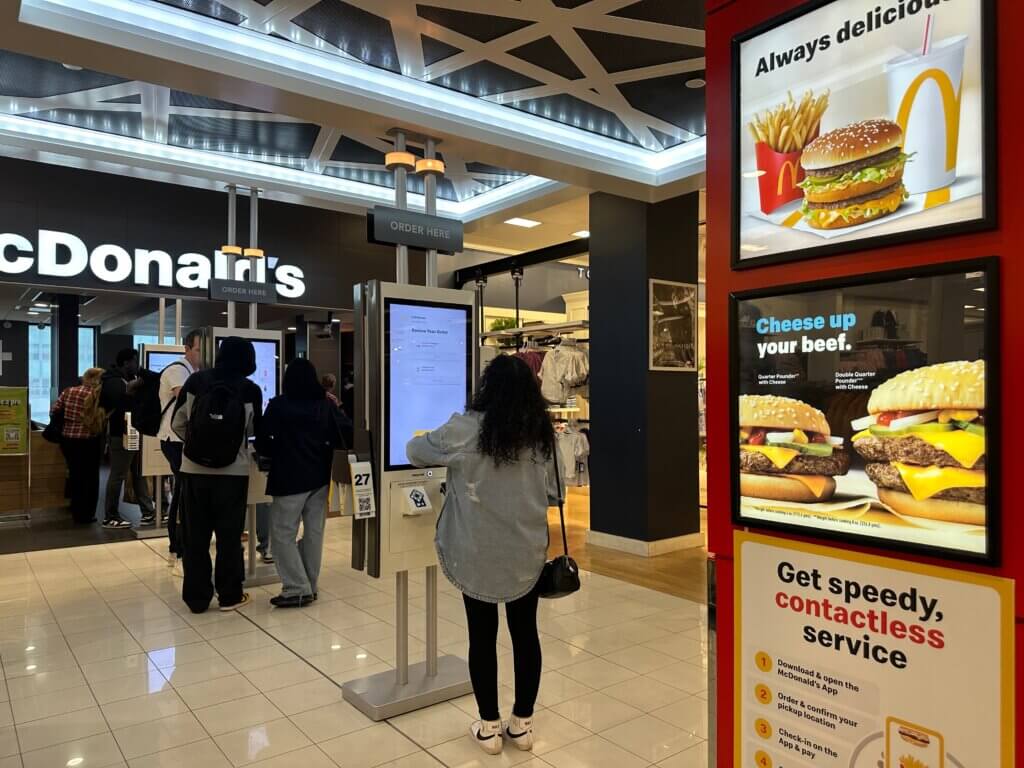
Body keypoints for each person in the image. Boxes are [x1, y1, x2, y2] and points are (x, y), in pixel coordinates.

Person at [406, 355, 558, 755]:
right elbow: (556, 493)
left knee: (482, 635)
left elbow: (414, 450)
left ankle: (488, 727)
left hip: (474, 549)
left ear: (486, 387)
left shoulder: (464, 428)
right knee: (526, 636)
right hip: (525, 550)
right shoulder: (540, 434)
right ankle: (522, 725)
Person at [171, 337, 262, 613]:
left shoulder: (196, 382)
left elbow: (178, 422)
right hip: (233, 473)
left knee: (195, 535)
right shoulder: (250, 389)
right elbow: (252, 431)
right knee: (229, 536)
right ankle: (229, 595)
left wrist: (196, 447)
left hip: (193, 471)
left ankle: (197, 599)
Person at [256, 358, 349, 608]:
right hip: (319, 478)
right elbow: (345, 433)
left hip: (288, 478)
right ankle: (309, 584)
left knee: (283, 534)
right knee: (314, 533)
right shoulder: (325, 405)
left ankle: (296, 587)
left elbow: (263, 442)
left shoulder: (279, 405)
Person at [157, 329, 203, 558]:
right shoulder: (178, 370)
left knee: (184, 488)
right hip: (174, 439)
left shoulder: (193, 371)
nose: (202, 354)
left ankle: (182, 539)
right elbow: (186, 399)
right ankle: (178, 541)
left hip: (183, 439)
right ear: (186, 349)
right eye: (198, 349)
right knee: (183, 489)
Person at [100, 348, 155, 529]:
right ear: (126, 363)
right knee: (118, 475)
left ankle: (148, 512)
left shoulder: (123, 380)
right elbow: (119, 405)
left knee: (138, 473)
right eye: (134, 362)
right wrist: (131, 392)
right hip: (120, 435)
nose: (137, 366)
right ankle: (111, 516)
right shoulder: (113, 382)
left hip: (131, 433)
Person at [51, 367, 107, 524]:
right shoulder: (97, 394)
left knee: (75, 475)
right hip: (89, 440)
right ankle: (87, 514)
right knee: (90, 478)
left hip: (68, 440)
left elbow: (55, 410)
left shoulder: (69, 391)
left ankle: (75, 510)